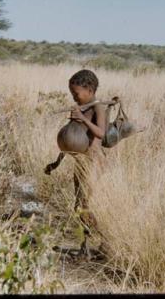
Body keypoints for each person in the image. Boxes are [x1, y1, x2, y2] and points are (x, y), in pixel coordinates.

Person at [66, 69, 108, 258]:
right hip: (81, 162)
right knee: (79, 206)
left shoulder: (98, 108)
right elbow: (74, 138)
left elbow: (101, 133)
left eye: (76, 93)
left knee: (89, 205)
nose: (74, 97)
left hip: (94, 162)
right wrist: (56, 162)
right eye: (72, 93)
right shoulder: (81, 108)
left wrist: (83, 119)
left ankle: (106, 243)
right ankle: (84, 247)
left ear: (89, 90)